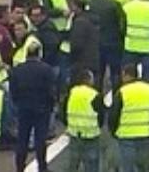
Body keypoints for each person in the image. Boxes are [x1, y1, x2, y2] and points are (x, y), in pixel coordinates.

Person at [9, 43, 57, 172]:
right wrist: (51, 105)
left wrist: (18, 103)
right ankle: (42, 166)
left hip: (24, 108)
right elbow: (51, 91)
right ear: (39, 53)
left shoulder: (18, 69)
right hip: (42, 108)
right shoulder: (46, 69)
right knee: (40, 139)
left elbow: (13, 90)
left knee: (22, 139)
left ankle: (19, 167)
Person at [110, 64, 149, 172]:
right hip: (146, 135)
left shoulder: (122, 92)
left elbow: (114, 115)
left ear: (125, 75)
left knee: (127, 167)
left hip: (126, 135)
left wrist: (113, 131)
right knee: (144, 167)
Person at [63, 70, 106, 172]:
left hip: (74, 132)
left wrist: (69, 124)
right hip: (91, 134)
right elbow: (101, 115)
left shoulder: (71, 92)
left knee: (73, 163)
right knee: (92, 164)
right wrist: (98, 126)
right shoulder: (95, 95)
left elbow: (63, 112)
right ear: (89, 80)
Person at [88, 0, 126, 90]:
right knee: (115, 71)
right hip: (113, 42)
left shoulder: (90, 4)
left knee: (98, 72)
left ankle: (97, 94)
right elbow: (122, 24)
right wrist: (120, 37)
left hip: (95, 43)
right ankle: (116, 94)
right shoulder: (115, 4)